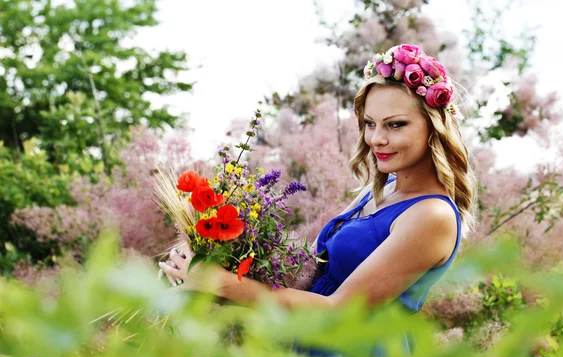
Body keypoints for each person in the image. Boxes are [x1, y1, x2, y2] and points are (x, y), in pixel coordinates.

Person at [160, 43, 477, 328]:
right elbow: (313, 287)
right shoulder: (379, 192)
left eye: (395, 124)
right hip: (310, 356)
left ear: (434, 127)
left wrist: (223, 283)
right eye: (370, 123)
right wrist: (221, 269)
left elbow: (338, 309)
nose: (376, 139)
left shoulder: (432, 216)